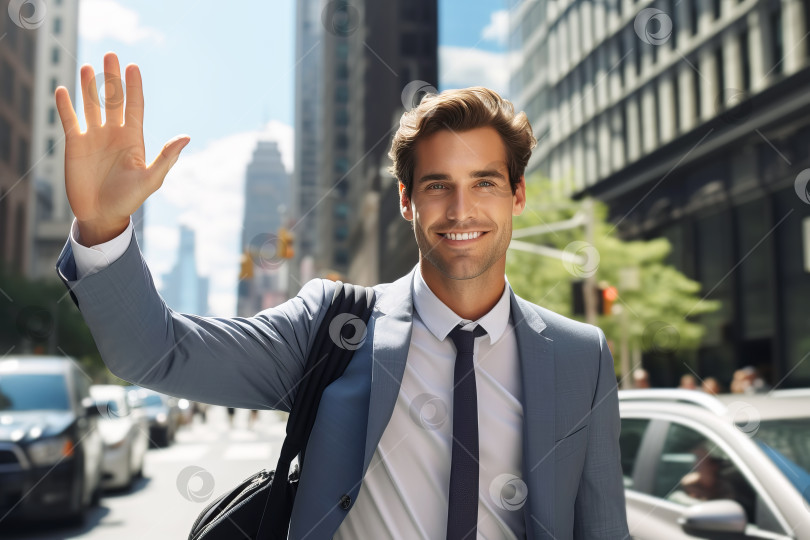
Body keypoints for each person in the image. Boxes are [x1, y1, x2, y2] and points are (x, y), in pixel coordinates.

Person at [54, 52, 629, 539]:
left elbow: (603, 526)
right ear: (406, 201)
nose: (461, 210)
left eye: (484, 183)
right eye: (437, 186)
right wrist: (104, 230)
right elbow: (156, 351)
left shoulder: (582, 356)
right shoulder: (332, 326)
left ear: (517, 195)